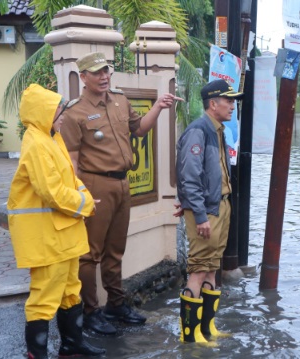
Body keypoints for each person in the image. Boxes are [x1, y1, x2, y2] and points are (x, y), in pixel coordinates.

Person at [60, 52, 183, 335]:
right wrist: (80, 195)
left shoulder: (120, 101)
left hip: (122, 183)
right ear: (83, 78)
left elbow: (139, 129)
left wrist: (160, 107)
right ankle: (90, 311)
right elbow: (73, 161)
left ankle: (116, 304)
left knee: (116, 249)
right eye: (97, 72)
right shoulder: (74, 112)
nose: (104, 76)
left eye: (106, 71)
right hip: (95, 185)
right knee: (91, 253)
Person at [7, 84, 104, 359]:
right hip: (47, 236)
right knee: (45, 295)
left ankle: (72, 345)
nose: (63, 116)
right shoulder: (36, 143)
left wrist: (83, 197)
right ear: (45, 113)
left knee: (70, 290)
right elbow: (51, 191)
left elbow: (71, 179)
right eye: (60, 111)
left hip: (63, 232)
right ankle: (37, 353)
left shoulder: (51, 138)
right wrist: (84, 203)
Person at [174, 79, 243, 343]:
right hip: (206, 211)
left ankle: (207, 329)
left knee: (213, 267)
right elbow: (188, 176)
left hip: (220, 205)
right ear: (213, 104)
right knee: (199, 269)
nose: (232, 106)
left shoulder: (218, 130)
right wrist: (199, 215)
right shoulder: (199, 131)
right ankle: (189, 335)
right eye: (228, 101)